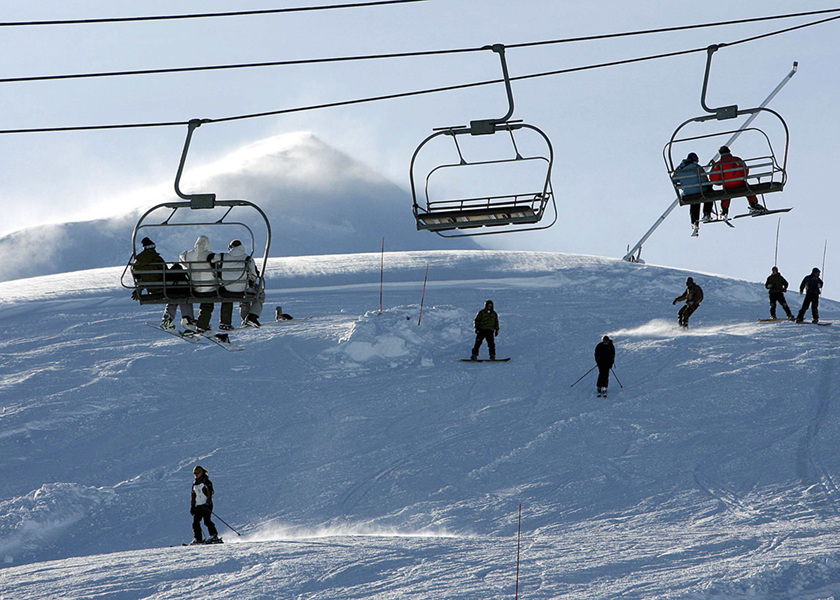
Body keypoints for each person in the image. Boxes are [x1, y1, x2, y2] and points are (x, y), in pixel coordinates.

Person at [209, 240, 264, 335]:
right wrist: (251, 282)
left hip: (226, 288)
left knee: (230, 295)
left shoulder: (222, 256)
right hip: (243, 289)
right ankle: (251, 317)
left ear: (230, 247)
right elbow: (253, 275)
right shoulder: (247, 258)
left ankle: (226, 322)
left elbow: (211, 259)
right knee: (259, 293)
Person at [708, 145, 765, 218]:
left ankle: (724, 210)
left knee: (726, 193)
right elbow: (745, 170)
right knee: (747, 188)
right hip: (740, 182)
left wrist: (720, 181)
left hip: (728, 185)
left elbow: (714, 178)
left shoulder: (718, 164)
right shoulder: (737, 160)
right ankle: (754, 204)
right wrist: (741, 176)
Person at [180, 235, 217, 333]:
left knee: (204, 296)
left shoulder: (189, 255)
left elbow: (181, 257)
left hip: (195, 288)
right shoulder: (212, 255)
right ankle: (202, 324)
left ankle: (196, 322)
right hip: (210, 289)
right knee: (208, 303)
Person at [673, 152, 713, 235]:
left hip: (688, 192)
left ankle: (694, 222)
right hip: (700, 190)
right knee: (709, 193)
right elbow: (704, 179)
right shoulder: (696, 167)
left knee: (694, 202)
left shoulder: (680, 168)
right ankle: (706, 213)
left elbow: (674, 179)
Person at [190, 465, 220, 544]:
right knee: (195, 522)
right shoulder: (195, 484)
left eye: (197, 473)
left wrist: (208, 502)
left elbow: (210, 492)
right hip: (198, 505)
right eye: (195, 473)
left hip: (206, 505)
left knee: (207, 521)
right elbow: (193, 495)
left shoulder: (206, 482)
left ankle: (214, 536)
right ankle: (198, 538)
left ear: (201, 473)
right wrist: (193, 506)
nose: (196, 474)